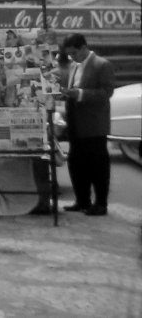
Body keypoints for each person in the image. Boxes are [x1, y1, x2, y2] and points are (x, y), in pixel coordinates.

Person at [61, 33, 115, 216]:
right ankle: (82, 200)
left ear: (83, 48)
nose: (72, 57)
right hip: (75, 123)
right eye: (69, 54)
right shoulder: (73, 66)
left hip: (94, 125)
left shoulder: (102, 64)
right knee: (77, 163)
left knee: (97, 165)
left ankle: (101, 203)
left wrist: (81, 94)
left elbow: (106, 92)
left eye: (74, 53)